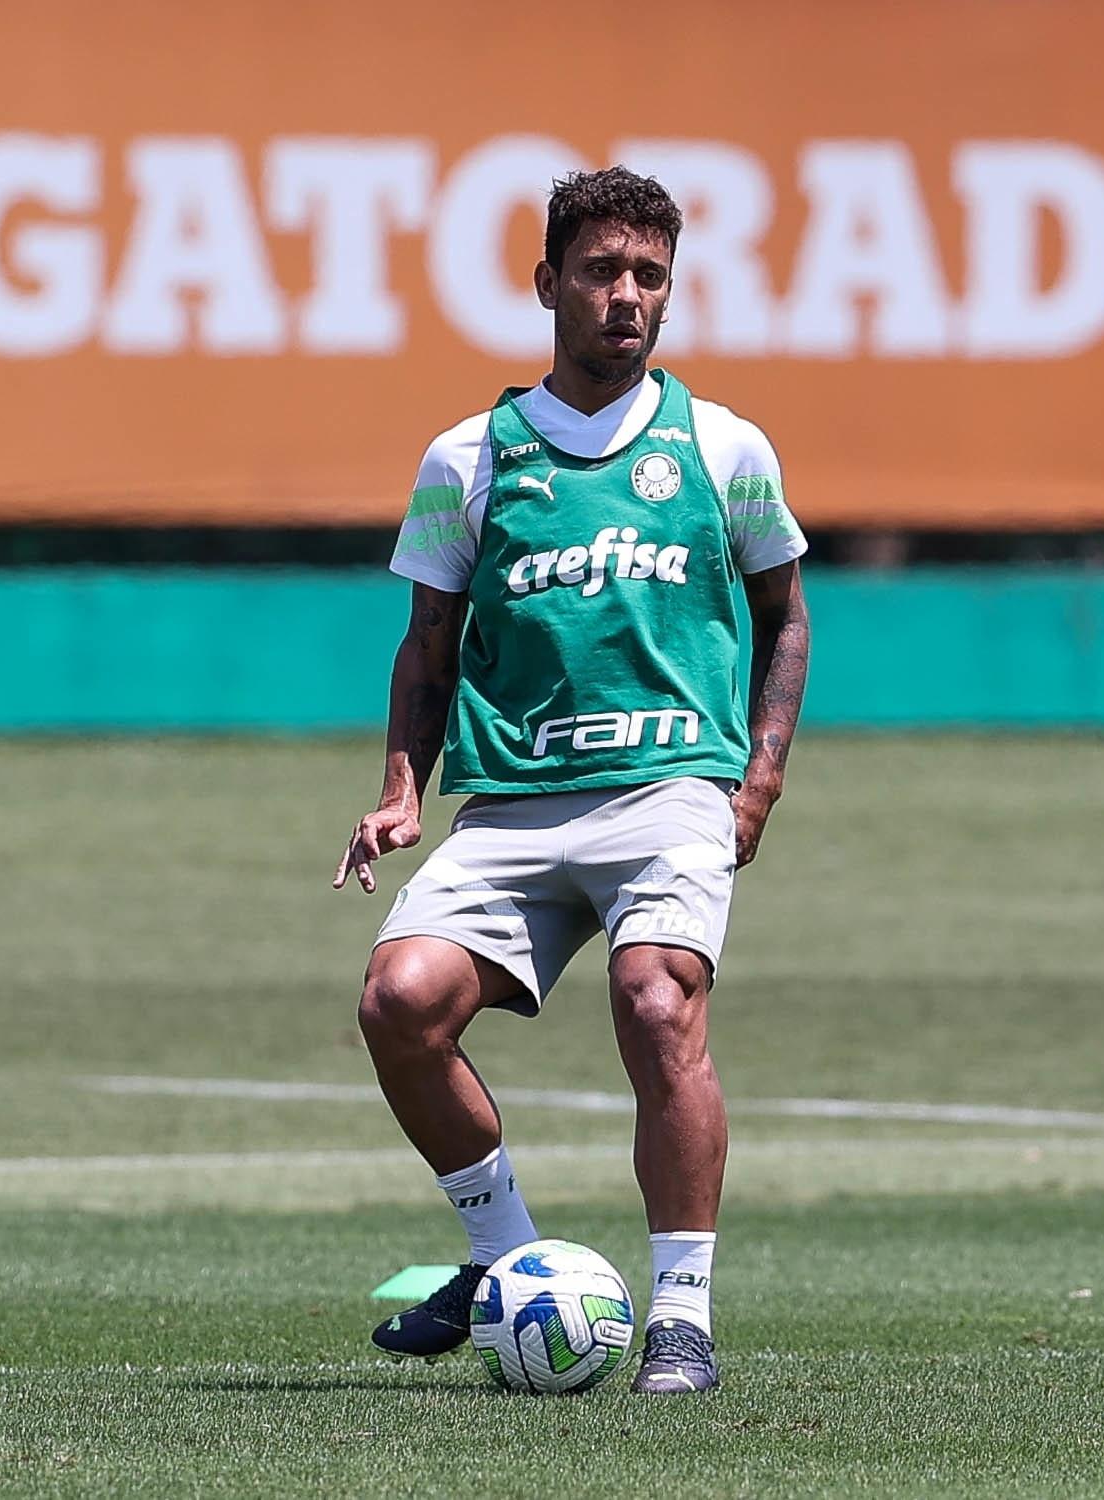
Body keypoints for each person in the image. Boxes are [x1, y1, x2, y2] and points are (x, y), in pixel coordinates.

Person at [333, 166, 810, 1395]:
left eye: (648, 275)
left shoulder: (721, 446)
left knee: (658, 1007)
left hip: (669, 794)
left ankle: (683, 1322)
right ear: (548, 283)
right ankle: (505, 1265)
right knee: (400, 1002)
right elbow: (428, 645)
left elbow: (783, 616)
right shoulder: (468, 458)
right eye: (600, 270)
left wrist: (753, 787)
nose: (626, 297)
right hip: (511, 803)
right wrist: (401, 786)